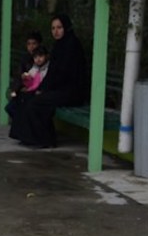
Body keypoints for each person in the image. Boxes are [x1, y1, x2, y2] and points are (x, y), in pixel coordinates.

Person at [8, 14, 89, 148]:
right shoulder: (58, 45)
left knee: (37, 101)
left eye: (59, 28)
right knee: (25, 96)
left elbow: (64, 74)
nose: (56, 31)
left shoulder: (72, 45)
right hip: (58, 89)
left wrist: (44, 89)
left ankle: (45, 140)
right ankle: (25, 136)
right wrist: (42, 88)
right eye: (53, 28)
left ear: (66, 28)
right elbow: (52, 73)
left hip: (71, 92)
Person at [5, 46, 50, 119]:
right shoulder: (35, 67)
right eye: (35, 57)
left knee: (25, 104)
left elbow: (45, 82)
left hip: (40, 93)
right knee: (14, 104)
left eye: (41, 56)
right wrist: (25, 77)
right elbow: (30, 77)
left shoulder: (48, 68)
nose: (38, 59)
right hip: (31, 92)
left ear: (46, 56)